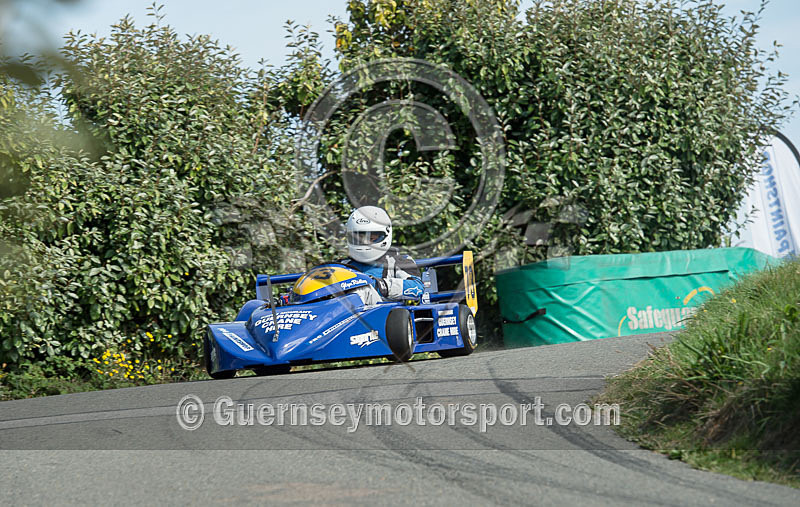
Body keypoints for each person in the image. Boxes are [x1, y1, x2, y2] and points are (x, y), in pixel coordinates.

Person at [343, 206, 424, 304]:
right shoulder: (343, 265)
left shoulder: (398, 261)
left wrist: (380, 285)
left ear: (385, 235)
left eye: (371, 237)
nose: (365, 241)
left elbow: (417, 288)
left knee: (362, 289)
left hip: (384, 314)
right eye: (359, 237)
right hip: (340, 314)